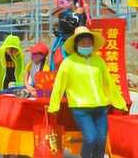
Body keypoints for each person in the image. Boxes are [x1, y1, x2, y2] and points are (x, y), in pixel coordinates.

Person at [49, 26, 127, 158]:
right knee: (91, 138)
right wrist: (53, 105)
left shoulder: (99, 61)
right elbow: (59, 85)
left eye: (89, 42)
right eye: (83, 42)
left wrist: (120, 103)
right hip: (81, 108)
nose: (86, 44)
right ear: (76, 44)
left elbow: (109, 83)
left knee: (101, 139)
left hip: (101, 107)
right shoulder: (68, 63)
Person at [50, 0, 86, 71]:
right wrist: (56, 32)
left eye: (63, 1)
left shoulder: (81, 14)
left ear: (71, 1)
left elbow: (81, 28)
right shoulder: (62, 15)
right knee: (58, 61)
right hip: (61, 43)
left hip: (74, 43)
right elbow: (62, 28)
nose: (61, 4)